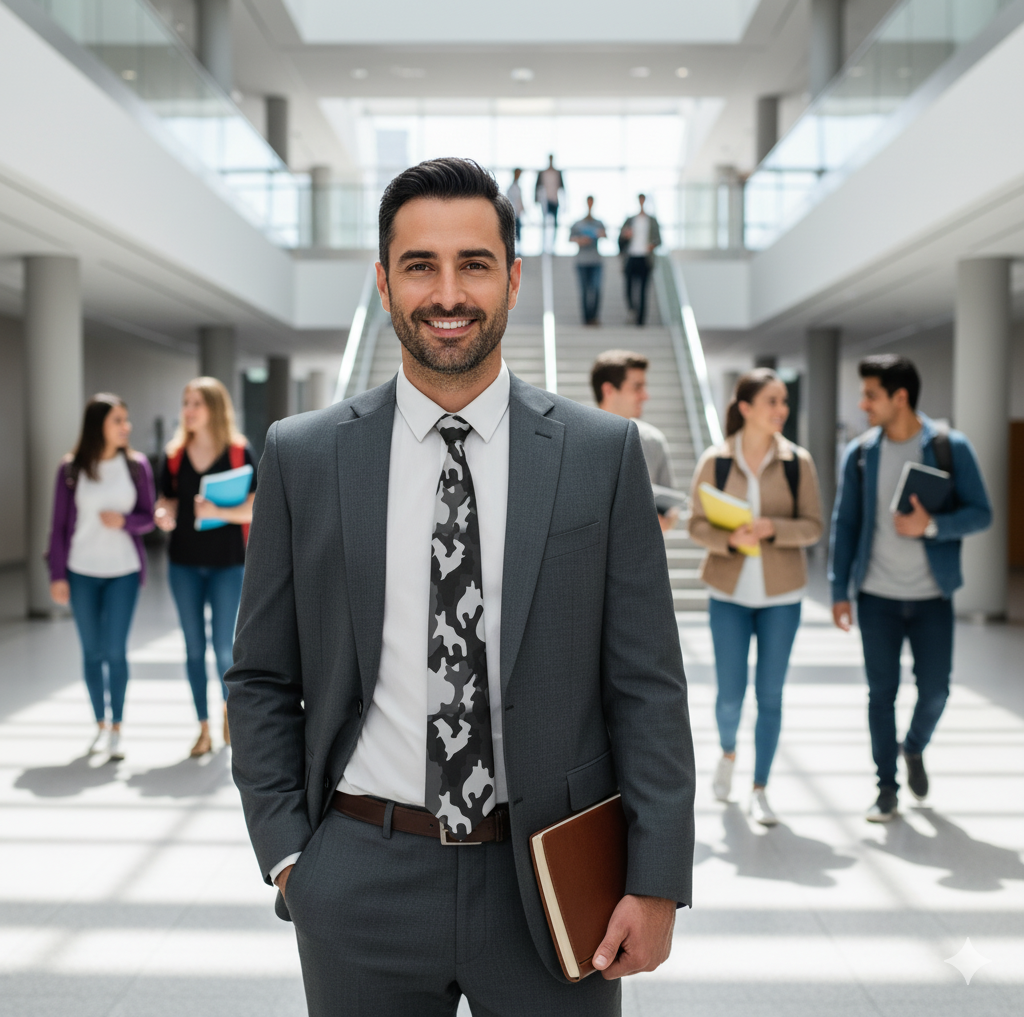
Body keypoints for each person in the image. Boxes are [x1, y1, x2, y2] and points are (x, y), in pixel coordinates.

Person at [227, 157, 694, 1017]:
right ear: (383, 282)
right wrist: (292, 856)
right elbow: (260, 675)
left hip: (556, 882)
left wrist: (658, 877)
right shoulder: (305, 455)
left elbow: (648, 686)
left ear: (514, 280)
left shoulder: (602, 455)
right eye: (420, 265)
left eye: (474, 263)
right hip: (360, 872)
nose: (449, 293)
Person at [830, 355, 991, 822]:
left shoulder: (949, 447)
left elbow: (981, 512)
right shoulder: (860, 454)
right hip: (876, 596)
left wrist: (932, 526)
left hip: (931, 598)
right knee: (881, 694)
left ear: (900, 397)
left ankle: (913, 747)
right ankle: (886, 788)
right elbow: (846, 523)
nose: (863, 405)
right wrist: (840, 589)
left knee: (936, 690)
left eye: (871, 395)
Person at [688, 370, 823, 825]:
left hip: (782, 595)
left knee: (771, 695)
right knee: (730, 695)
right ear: (745, 407)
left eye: (783, 401)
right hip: (728, 592)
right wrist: (729, 538)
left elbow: (813, 526)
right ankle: (728, 753)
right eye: (772, 401)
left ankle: (760, 787)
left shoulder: (796, 461)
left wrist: (772, 529)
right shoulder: (716, 460)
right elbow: (695, 524)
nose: (780, 409)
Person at [47, 394, 155, 761]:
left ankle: (118, 727)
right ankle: (100, 724)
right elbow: (58, 527)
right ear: (99, 426)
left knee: (115, 651)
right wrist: (57, 574)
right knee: (92, 653)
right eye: (118, 421)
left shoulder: (138, 466)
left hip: (123, 571)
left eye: (126, 420)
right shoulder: (71, 469)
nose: (126, 427)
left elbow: (148, 516)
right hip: (80, 573)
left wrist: (125, 521)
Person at [154, 377, 256, 759]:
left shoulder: (237, 451)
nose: (189, 410)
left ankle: (230, 711)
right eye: (186, 402)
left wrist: (219, 512)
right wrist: (163, 513)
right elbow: (165, 502)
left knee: (223, 648)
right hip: (183, 564)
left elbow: (255, 506)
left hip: (227, 564)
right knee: (193, 648)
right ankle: (202, 728)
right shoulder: (175, 455)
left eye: (197, 403)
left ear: (214, 408)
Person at [592, 349, 677, 532]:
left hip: (640, 554)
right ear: (608, 390)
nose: (645, 396)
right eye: (637, 387)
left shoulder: (654, 441)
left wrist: (665, 521)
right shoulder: (574, 440)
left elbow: (672, 508)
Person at [618, 194, 661, 326]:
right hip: (631, 257)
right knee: (629, 289)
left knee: (643, 291)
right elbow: (620, 239)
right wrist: (626, 236)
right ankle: (632, 310)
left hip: (645, 258)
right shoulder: (630, 220)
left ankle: (641, 321)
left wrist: (651, 245)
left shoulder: (652, 221)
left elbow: (658, 240)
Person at [569, 196, 607, 325]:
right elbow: (571, 238)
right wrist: (581, 240)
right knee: (584, 291)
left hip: (596, 261)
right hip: (582, 261)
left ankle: (594, 317)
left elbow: (605, 235)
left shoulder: (598, 223)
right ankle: (586, 320)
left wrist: (600, 234)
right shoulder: (578, 223)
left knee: (596, 289)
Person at [535, 153, 564, 244]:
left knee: (554, 224)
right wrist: (536, 199)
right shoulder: (543, 173)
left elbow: (562, 188)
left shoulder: (558, 173)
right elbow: (537, 187)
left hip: (554, 200)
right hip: (545, 202)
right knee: (544, 224)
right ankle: (543, 243)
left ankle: (553, 244)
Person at [506, 167, 525, 245]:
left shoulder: (517, 187)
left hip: (518, 214)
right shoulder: (512, 188)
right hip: (514, 214)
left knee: (518, 234)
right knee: (515, 234)